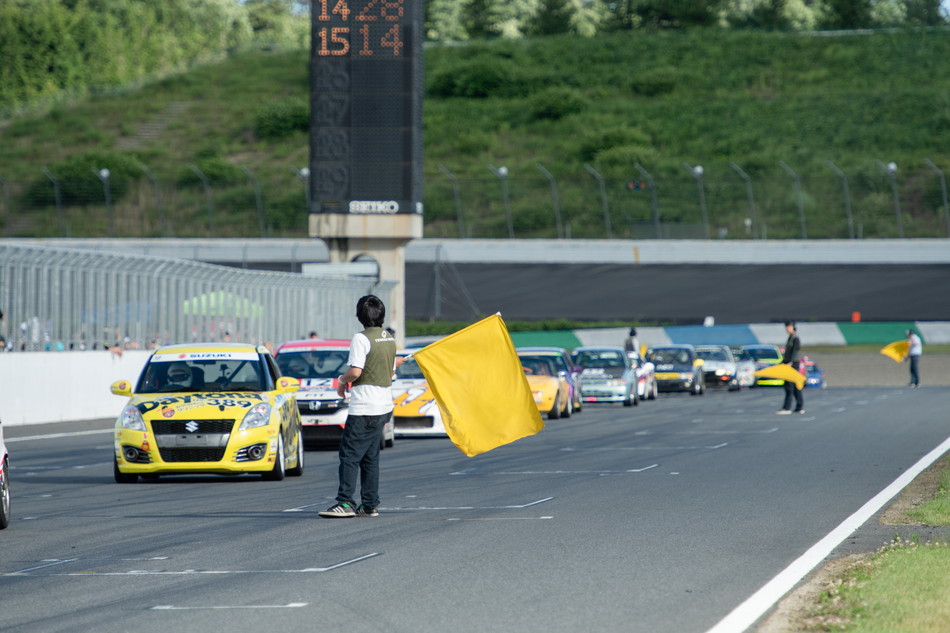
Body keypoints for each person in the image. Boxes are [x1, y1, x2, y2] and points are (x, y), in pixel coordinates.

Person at [319, 295, 404, 518]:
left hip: (365, 406)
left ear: (360, 316)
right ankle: (369, 504)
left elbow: (355, 372)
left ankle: (345, 502)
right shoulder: (389, 338)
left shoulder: (361, 338)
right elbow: (391, 372)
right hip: (384, 406)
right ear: (381, 314)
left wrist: (341, 380)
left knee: (349, 455)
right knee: (370, 457)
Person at [776, 321, 804, 415]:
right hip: (789, 363)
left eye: (788, 327)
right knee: (795, 386)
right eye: (786, 327)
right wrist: (782, 362)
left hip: (793, 364)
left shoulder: (795, 338)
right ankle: (799, 407)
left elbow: (795, 352)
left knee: (789, 386)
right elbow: (787, 353)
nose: (787, 329)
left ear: (793, 327)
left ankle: (787, 408)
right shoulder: (790, 338)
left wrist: (790, 362)